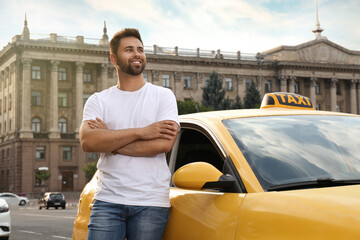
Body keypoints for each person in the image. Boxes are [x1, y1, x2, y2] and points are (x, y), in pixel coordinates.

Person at [80, 28, 179, 240]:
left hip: (151, 202)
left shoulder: (163, 96)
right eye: (129, 50)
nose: (137, 54)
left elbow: (162, 145)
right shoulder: (98, 100)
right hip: (107, 200)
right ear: (113, 58)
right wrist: (142, 132)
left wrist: (109, 140)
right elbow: (88, 141)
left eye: (140, 49)